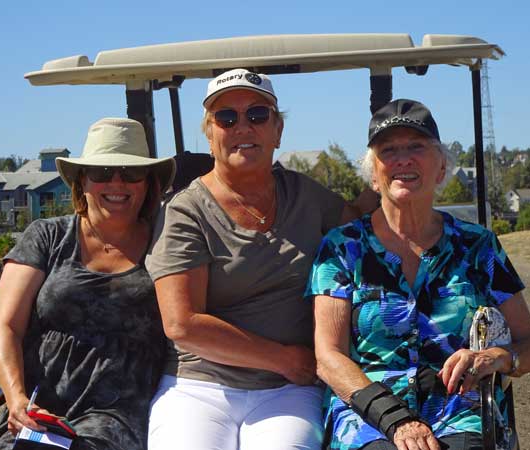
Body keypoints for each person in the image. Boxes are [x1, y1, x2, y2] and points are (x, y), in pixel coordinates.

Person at [145, 68, 376, 450]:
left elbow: (361, 224)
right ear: (209, 131)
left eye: (257, 115)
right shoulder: (187, 211)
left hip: (286, 391)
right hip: (200, 386)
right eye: (226, 117)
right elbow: (182, 324)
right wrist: (284, 359)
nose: (242, 127)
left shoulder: (305, 195)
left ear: (277, 130)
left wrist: (390, 177)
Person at [306, 99, 530, 450]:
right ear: (373, 174)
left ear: (441, 166)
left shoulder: (478, 246)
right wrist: (396, 421)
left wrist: (495, 357)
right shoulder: (342, 248)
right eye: (388, 150)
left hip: (460, 410)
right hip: (369, 416)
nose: (403, 159)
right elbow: (329, 358)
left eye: (416, 147)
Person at [0, 118, 176, 450]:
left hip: (120, 413)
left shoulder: (167, 243)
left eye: (130, 172)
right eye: (103, 171)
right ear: (82, 181)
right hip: (40, 406)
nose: (116, 182)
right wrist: (16, 399)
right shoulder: (47, 237)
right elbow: (7, 327)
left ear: (148, 183)